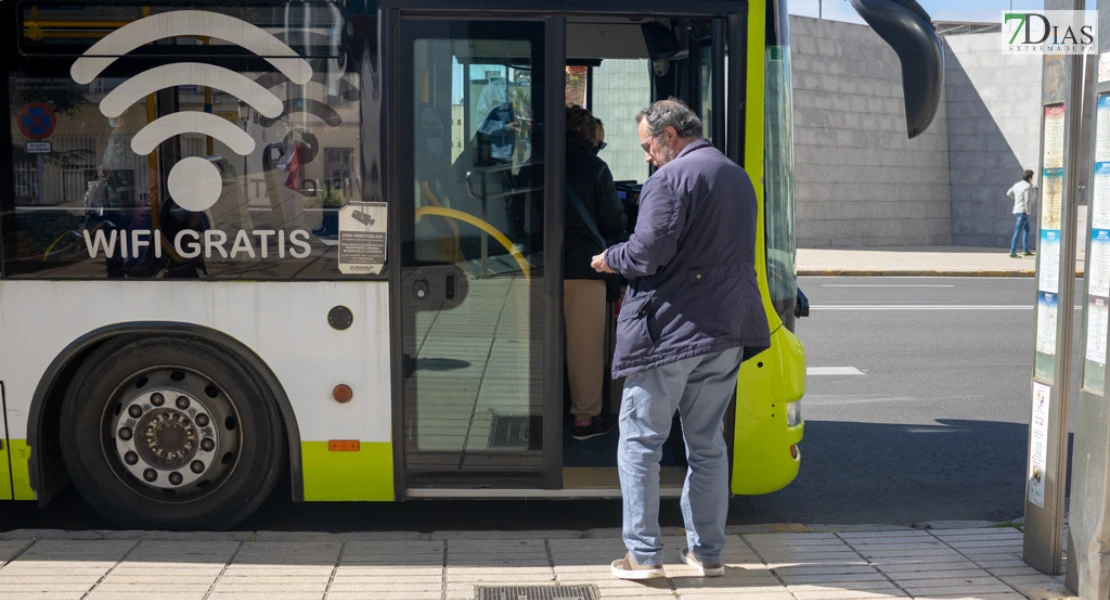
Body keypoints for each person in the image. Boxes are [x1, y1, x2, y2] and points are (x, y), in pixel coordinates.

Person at [590, 99, 770, 580]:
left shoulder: (669, 180)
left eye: (648, 145)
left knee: (641, 442)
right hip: (727, 329)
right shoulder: (736, 175)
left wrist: (611, 259)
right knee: (708, 444)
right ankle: (707, 552)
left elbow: (648, 254)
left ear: (670, 136)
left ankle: (644, 555)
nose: (647, 156)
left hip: (669, 331)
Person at [564, 105, 625, 440]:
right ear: (589, 138)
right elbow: (613, 224)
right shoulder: (595, 169)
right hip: (584, 270)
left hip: (534, 267)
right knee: (584, 350)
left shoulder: (534, 164)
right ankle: (585, 419)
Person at [1007, 169, 1036, 258]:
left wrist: (1017, 199)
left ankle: (1026, 250)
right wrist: (1028, 211)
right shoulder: (1027, 186)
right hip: (1023, 211)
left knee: (1027, 229)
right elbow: (1027, 200)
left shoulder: (1017, 185)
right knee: (1018, 231)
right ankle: (1012, 252)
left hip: (1016, 210)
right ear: (1030, 178)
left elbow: (1008, 193)